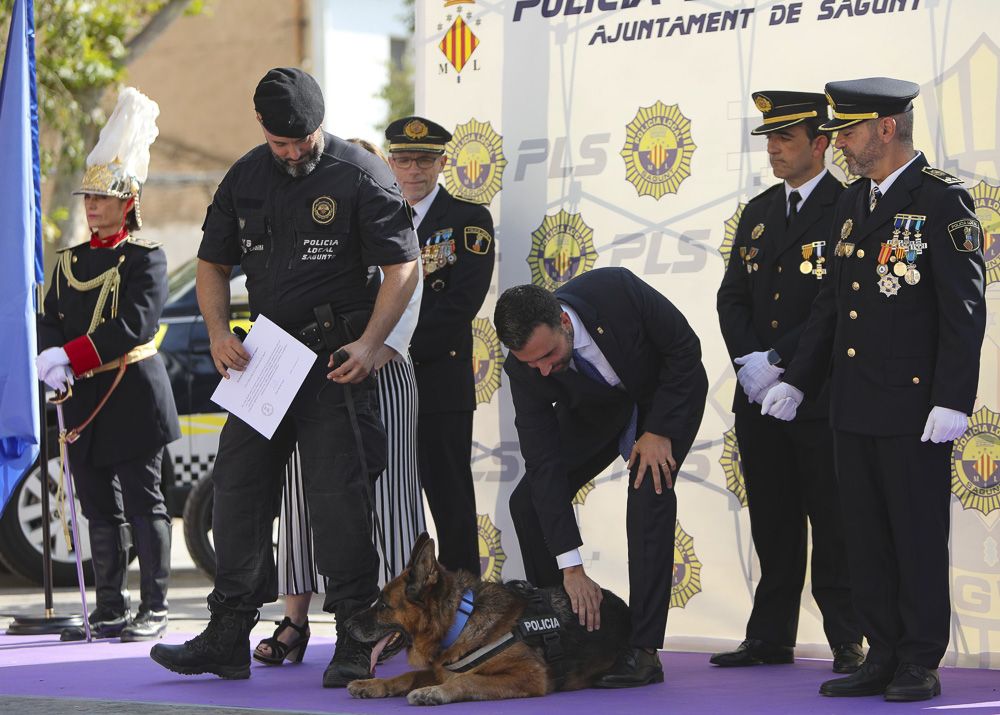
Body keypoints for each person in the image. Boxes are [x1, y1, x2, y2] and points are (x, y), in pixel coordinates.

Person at [149, 68, 420, 687]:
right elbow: (213, 264)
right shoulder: (244, 175)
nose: (294, 153)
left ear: (319, 124)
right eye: (281, 144)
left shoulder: (359, 174)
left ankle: (356, 632)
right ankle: (227, 633)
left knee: (338, 498)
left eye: (303, 141)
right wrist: (219, 334)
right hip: (266, 355)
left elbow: (402, 266)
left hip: (335, 358)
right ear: (262, 131)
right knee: (237, 492)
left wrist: (371, 343)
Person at [760, 77, 986, 702]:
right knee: (863, 536)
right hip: (852, 402)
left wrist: (952, 398)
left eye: (849, 131)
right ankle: (881, 651)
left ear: (887, 129)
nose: (838, 143)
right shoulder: (853, 203)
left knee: (913, 534)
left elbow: (963, 308)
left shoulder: (941, 201)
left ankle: (918, 658)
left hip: (914, 406)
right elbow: (834, 305)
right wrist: (800, 382)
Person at [253, 138, 426, 666]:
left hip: (383, 373)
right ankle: (296, 619)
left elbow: (408, 294)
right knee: (301, 499)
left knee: (391, 498)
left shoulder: (393, 227)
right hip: (306, 377)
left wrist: (371, 350)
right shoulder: (313, 234)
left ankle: (403, 618)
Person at [494, 267, 708, 688]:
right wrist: (570, 568)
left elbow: (684, 349)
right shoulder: (526, 370)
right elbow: (544, 464)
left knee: (649, 490)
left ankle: (644, 651)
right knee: (528, 502)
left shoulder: (616, 290)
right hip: (596, 410)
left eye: (548, 355)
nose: (541, 369)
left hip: (663, 394)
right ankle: (560, 631)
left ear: (563, 320)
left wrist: (659, 429)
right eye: (530, 362)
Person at [714, 90, 862, 673]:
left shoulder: (849, 206)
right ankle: (770, 636)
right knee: (772, 521)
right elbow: (732, 295)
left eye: (785, 139)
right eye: (769, 139)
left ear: (821, 144)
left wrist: (780, 358)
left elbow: (837, 300)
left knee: (833, 521)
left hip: (820, 394)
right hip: (758, 396)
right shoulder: (758, 211)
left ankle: (848, 639)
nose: (773, 150)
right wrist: (750, 363)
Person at [36, 87, 179, 643]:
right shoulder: (70, 260)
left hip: (131, 392)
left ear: (127, 201)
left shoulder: (146, 258)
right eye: (87, 197)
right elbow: (50, 315)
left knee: (145, 503)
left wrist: (68, 353)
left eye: (102, 198)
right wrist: (53, 361)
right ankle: (110, 607)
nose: (91, 206)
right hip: (82, 397)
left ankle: (156, 605)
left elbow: (135, 326)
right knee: (97, 507)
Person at [384, 115, 495, 576]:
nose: (415, 170)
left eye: (425, 160)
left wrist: (388, 347)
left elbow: (459, 305)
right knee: (389, 500)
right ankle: (390, 604)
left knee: (449, 499)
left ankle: (464, 605)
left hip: (436, 380)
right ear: (390, 163)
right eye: (405, 160)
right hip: (380, 381)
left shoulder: (468, 220)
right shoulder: (375, 217)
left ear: (443, 162)